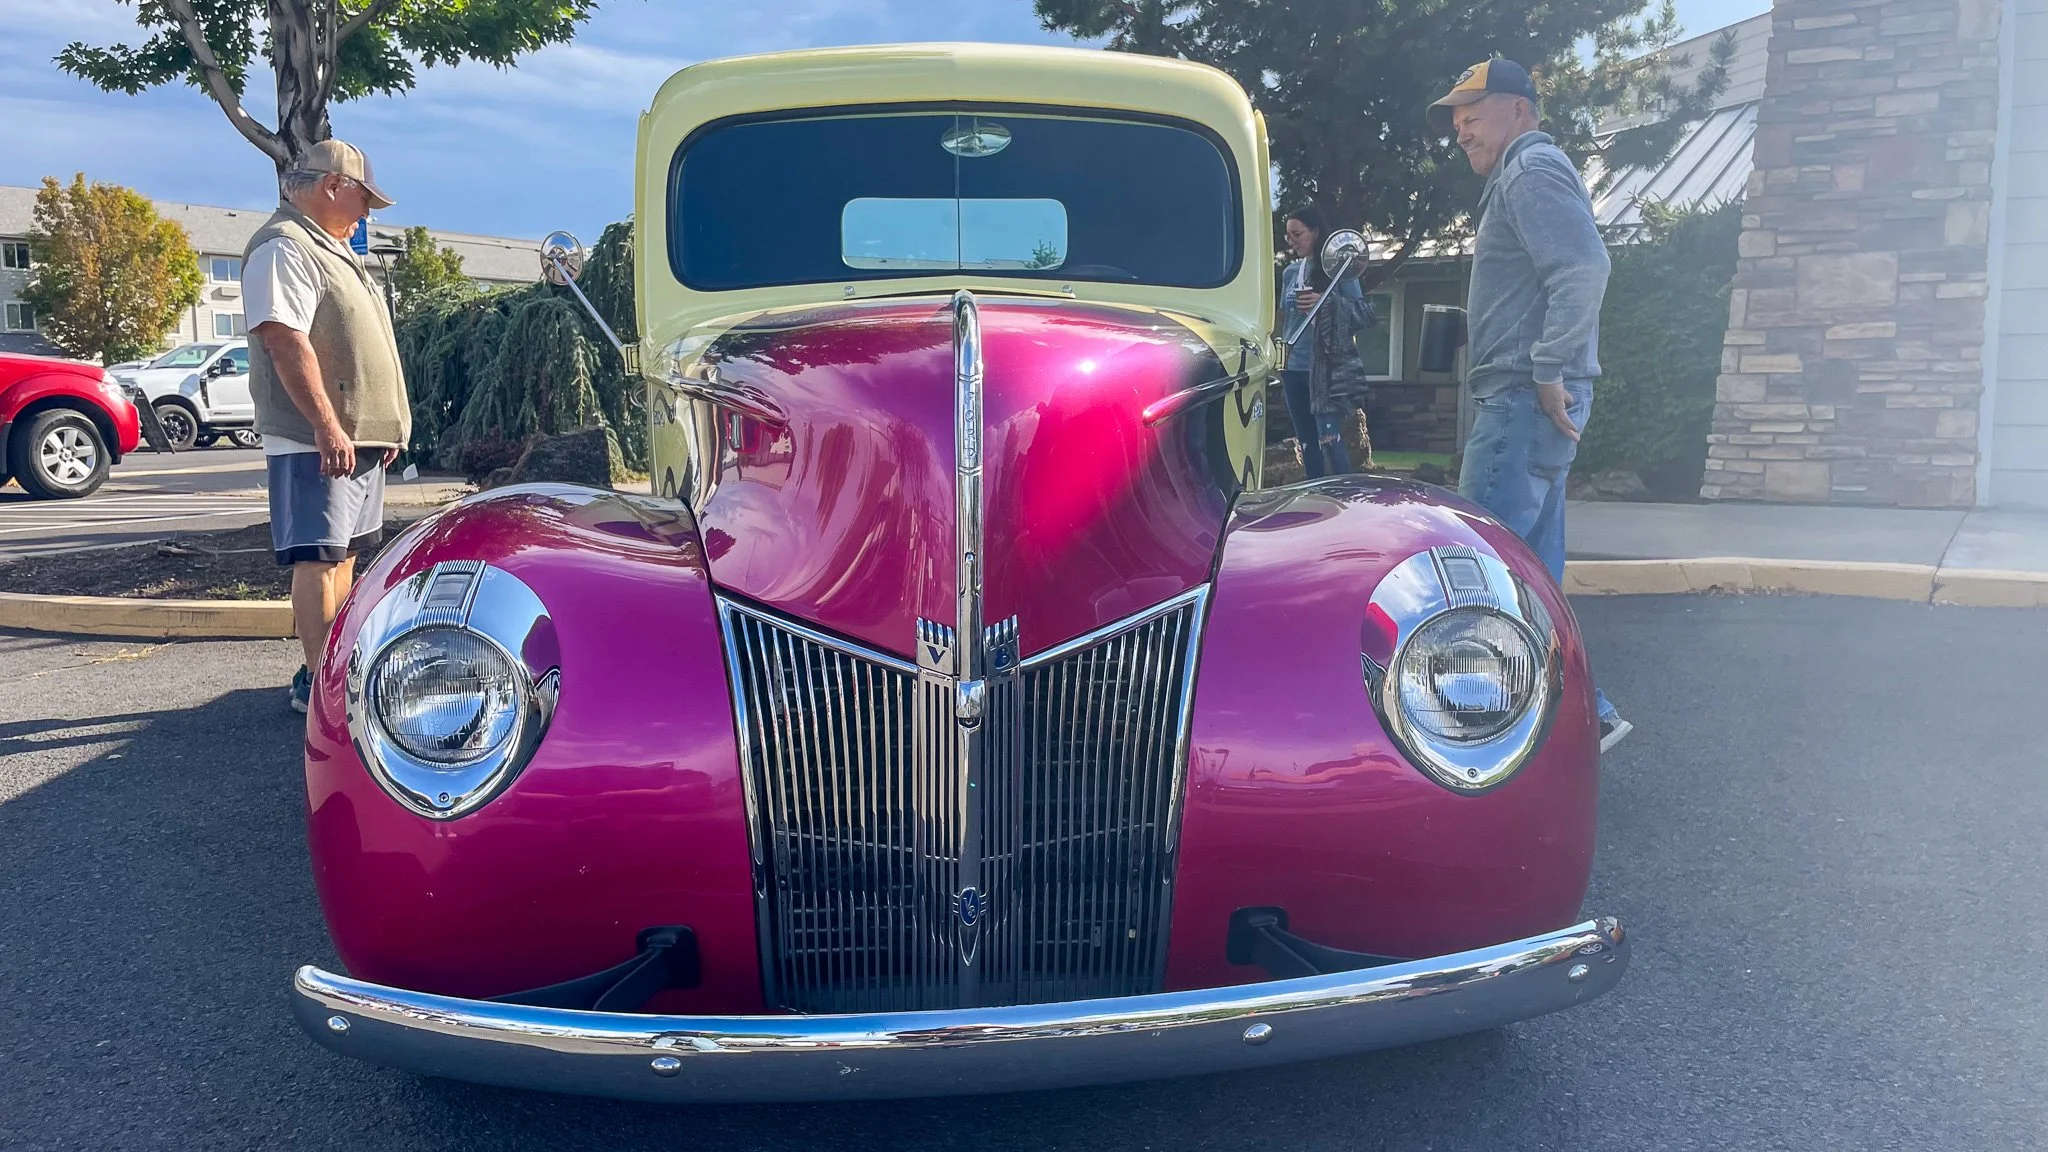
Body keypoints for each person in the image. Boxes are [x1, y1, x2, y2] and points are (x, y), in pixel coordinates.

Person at [1427, 58, 1632, 752]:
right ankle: (1585, 717)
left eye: (1473, 113)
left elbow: (1584, 268)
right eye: (1456, 121)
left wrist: (1547, 368)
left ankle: (1465, 734)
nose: (1460, 131)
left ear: (1519, 109)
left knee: (1475, 562)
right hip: (1526, 397)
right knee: (1533, 578)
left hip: (1521, 397)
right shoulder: (1528, 173)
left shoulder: (1529, 169)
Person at [243, 140, 412, 714]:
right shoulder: (284, 246)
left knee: (342, 555)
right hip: (317, 438)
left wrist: (378, 430)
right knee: (317, 556)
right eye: (364, 198)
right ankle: (319, 683)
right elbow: (284, 339)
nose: (367, 212)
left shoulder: (329, 249)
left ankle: (328, 666)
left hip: (355, 438)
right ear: (333, 185)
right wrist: (328, 427)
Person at [1278, 206, 1375, 477]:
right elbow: (1286, 321)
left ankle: (1341, 496)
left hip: (1324, 368)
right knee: (1307, 442)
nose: (1292, 241)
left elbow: (1362, 314)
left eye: (1297, 234)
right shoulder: (1290, 273)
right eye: (1288, 236)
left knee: (1329, 439)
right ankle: (1315, 500)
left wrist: (1325, 304)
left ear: (1316, 232)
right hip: (1292, 368)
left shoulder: (1340, 270)